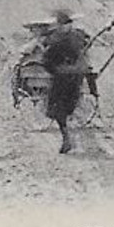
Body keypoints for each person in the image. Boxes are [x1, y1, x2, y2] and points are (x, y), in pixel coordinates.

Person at [40, 12, 92, 154]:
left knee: (60, 109)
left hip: (64, 77)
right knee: (67, 107)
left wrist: (54, 69)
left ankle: (67, 136)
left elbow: (46, 60)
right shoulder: (76, 37)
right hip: (72, 76)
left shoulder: (56, 39)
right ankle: (69, 136)